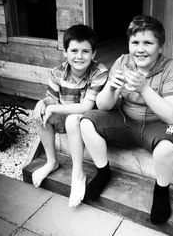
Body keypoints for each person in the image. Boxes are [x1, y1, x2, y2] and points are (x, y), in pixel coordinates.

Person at [80, 15, 173, 224]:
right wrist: (111, 87)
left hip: (159, 125)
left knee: (168, 148)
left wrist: (144, 88)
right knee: (86, 121)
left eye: (148, 42)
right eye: (135, 42)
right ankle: (103, 172)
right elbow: (103, 106)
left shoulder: (171, 68)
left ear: (160, 46)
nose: (140, 49)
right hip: (126, 122)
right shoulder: (122, 62)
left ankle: (162, 191)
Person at [32, 24, 108, 208]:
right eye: (74, 50)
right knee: (40, 114)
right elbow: (52, 99)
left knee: (74, 119)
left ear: (94, 54)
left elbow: (86, 107)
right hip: (65, 114)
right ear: (65, 52)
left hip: (88, 122)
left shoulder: (100, 72)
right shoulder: (57, 72)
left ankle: (78, 174)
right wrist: (42, 103)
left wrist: (54, 108)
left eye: (85, 51)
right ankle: (51, 162)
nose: (79, 56)